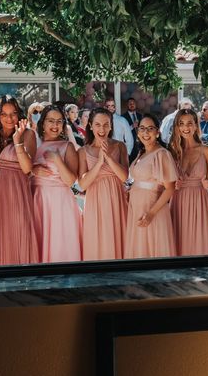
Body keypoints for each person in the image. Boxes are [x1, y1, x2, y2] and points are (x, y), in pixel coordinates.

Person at [0, 95, 39, 265]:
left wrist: (17, 142)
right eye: (4, 114)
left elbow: (27, 169)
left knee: (17, 232)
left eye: (13, 113)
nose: (9, 118)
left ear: (19, 114)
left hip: (16, 191)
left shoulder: (28, 134)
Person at [32, 105, 81, 263]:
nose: (55, 125)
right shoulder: (35, 145)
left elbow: (71, 181)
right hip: (37, 200)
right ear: (43, 123)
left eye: (59, 121)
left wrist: (58, 160)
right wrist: (33, 170)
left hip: (60, 202)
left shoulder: (67, 146)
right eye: (51, 121)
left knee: (59, 244)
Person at [78, 108, 129, 260]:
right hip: (95, 202)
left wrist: (108, 158)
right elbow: (82, 184)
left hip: (117, 200)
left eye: (106, 124)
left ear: (111, 126)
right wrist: (99, 162)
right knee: (97, 240)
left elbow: (124, 177)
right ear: (91, 126)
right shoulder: (83, 151)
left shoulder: (120, 146)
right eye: (98, 124)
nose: (102, 129)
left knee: (119, 237)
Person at [125, 114, 177, 258]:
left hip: (152, 209)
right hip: (136, 207)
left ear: (157, 132)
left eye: (150, 128)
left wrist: (151, 213)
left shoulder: (162, 154)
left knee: (152, 248)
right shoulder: (141, 153)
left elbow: (170, 188)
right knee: (139, 247)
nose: (145, 133)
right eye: (142, 128)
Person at [169, 109, 208, 256]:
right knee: (178, 239)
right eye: (181, 123)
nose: (185, 127)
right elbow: (167, 180)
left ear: (196, 125)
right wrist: (172, 183)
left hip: (199, 199)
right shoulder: (173, 151)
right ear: (177, 126)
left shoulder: (206, 150)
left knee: (198, 241)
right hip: (178, 199)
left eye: (189, 123)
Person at [121, 97, 142, 162]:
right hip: (129, 144)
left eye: (133, 103)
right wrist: (132, 126)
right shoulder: (123, 117)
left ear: (135, 104)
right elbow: (122, 131)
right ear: (127, 105)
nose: (132, 105)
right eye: (130, 104)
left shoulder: (140, 116)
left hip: (139, 144)